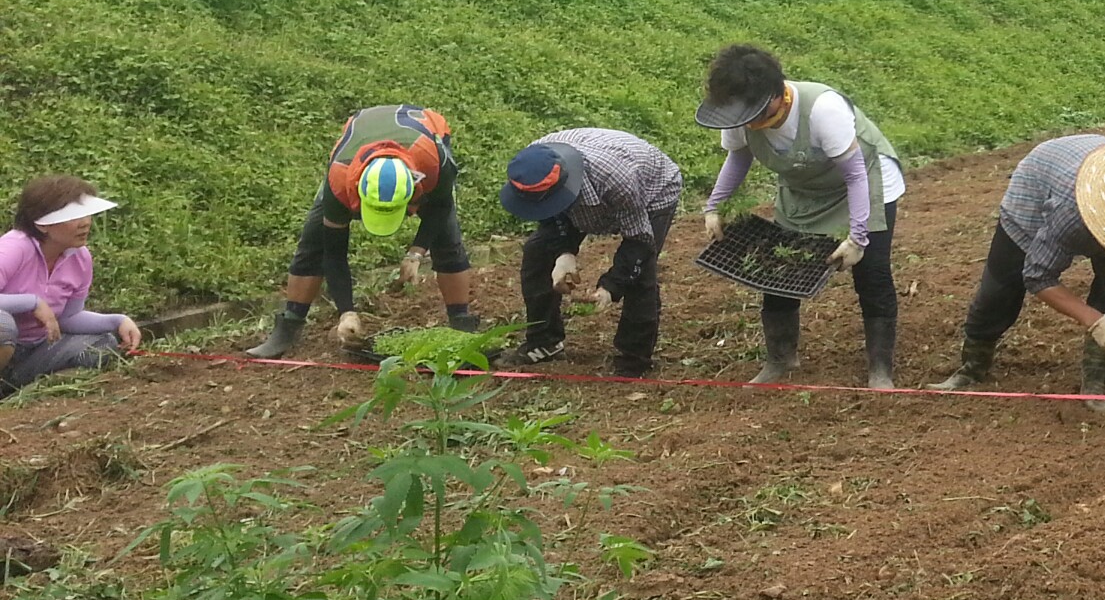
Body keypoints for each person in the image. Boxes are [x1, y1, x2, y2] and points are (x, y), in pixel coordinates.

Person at [930, 133, 1105, 407]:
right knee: (1000, 288)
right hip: (1038, 190)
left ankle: (1096, 381)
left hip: (1099, 184)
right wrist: (1094, 320)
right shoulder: (1071, 215)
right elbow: (1038, 274)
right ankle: (973, 366)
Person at [697, 45, 904, 388]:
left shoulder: (823, 110)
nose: (749, 122)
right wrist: (714, 206)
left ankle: (880, 371)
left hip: (864, 182)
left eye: (754, 112)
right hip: (804, 190)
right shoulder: (737, 112)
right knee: (779, 273)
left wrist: (857, 237)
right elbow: (738, 157)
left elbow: (855, 176)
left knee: (872, 274)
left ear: (776, 95)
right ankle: (780, 360)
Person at [246, 104, 480, 358]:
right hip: (358, 144)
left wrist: (416, 252)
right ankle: (288, 328)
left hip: (422, 136)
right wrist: (347, 312)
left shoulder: (433, 161)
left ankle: (461, 324)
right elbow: (334, 253)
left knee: (446, 237)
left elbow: (441, 207)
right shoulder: (340, 178)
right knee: (313, 242)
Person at [499, 128, 686, 378]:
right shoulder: (533, 164)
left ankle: (634, 359)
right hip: (585, 193)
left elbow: (639, 241)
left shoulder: (618, 181)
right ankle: (544, 341)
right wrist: (564, 252)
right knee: (537, 250)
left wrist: (611, 286)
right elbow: (549, 213)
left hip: (653, 191)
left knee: (641, 274)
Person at [0, 178, 141, 393]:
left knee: (104, 343)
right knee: (3, 325)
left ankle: (13, 388)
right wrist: (32, 302)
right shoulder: (14, 247)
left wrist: (117, 320)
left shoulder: (80, 258)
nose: (85, 223)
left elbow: (69, 318)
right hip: (7, 340)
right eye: (74, 217)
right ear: (42, 224)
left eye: (86, 215)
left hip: (35, 349)